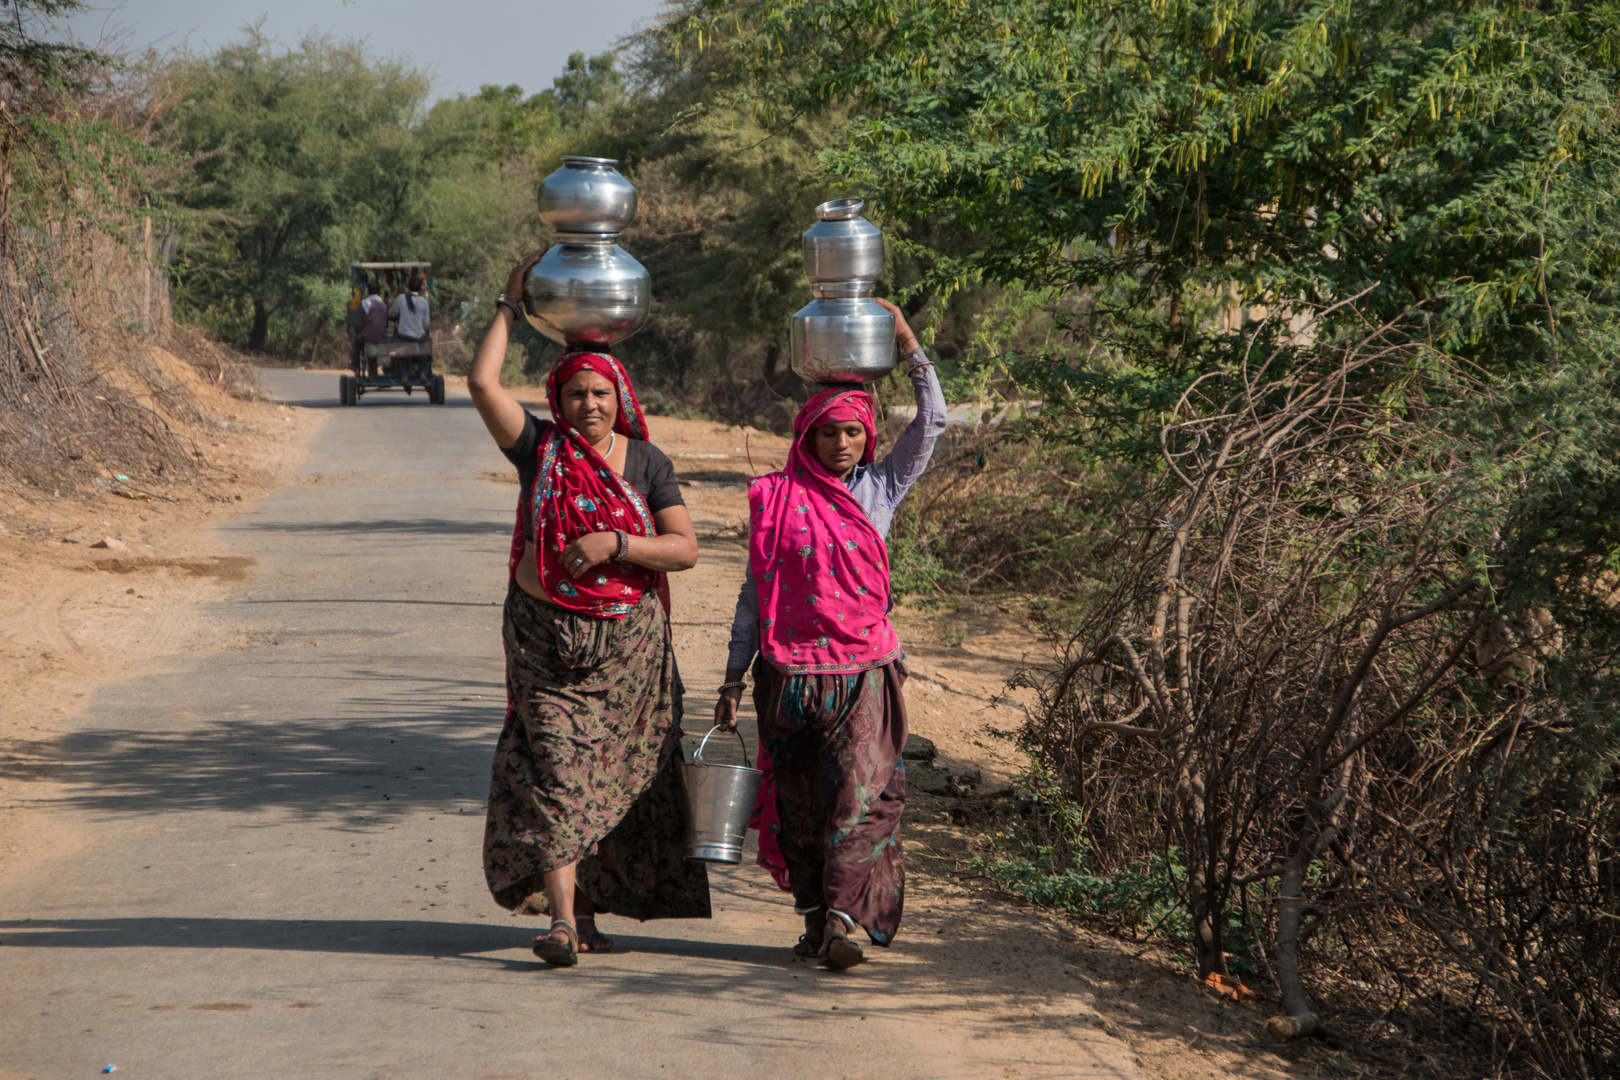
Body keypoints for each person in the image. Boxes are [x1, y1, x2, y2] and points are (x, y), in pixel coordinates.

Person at [468, 251, 710, 968]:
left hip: (625, 648)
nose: (589, 407)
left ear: (619, 395)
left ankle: (592, 911)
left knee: (614, 775)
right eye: (575, 395)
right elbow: (481, 382)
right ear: (558, 402)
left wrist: (617, 542)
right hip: (544, 640)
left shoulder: (647, 463)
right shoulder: (539, 450)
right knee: (558, 773)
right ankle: (564, 923)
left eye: (600, 394)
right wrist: (509, 308)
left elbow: (684, 549)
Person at [714, 299, 946, 969]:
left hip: (864, 673)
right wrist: (732, 677)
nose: (841, 445)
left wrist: (907, 344)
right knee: (802, 803)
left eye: (852, 434)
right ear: (806, 438)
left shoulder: (880, 489)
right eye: (828, 435)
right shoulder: (776, 500)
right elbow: (755, 593)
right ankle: (815, 918)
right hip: (788, 677)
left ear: (866, 438)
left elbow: (932, 422)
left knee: (861, 795)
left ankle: (844, 922)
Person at [358, 279, 388, 377]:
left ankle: (354, 364)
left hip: (368, 336)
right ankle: (373, 370)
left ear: (368, 291)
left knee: (356, 340)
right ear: (379, 292)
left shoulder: (365, 303)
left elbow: (359, 322)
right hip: (382, 336)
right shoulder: (384, 305)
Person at [389, 274, 431, 340]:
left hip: (403, 335)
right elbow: (426, 324)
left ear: (408, 287)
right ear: (420, 288)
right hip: (418, 336)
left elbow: (391, 313)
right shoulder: (424, 301)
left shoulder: (400, 298)